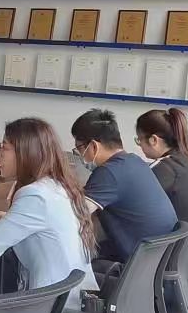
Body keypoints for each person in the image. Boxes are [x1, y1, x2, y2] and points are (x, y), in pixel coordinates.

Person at [0, 118, 97, 313]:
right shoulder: (58, 186)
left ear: (26, 153)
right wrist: (5, 218)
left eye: (5, 147)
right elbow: (43, 225)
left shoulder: (34, 196)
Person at [73, 109, 178, 263]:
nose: (80, 156)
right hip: (156, 259)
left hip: (136, 264)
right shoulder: (133, 161)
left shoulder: (109, 172)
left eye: (79, 149)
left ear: (94, 146)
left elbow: (73, 216)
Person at [136, 108, 188, 252]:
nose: (140, 146)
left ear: (153, 140)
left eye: (139, 140)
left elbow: (134, 202)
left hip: (176, 253)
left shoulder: (165, 169)